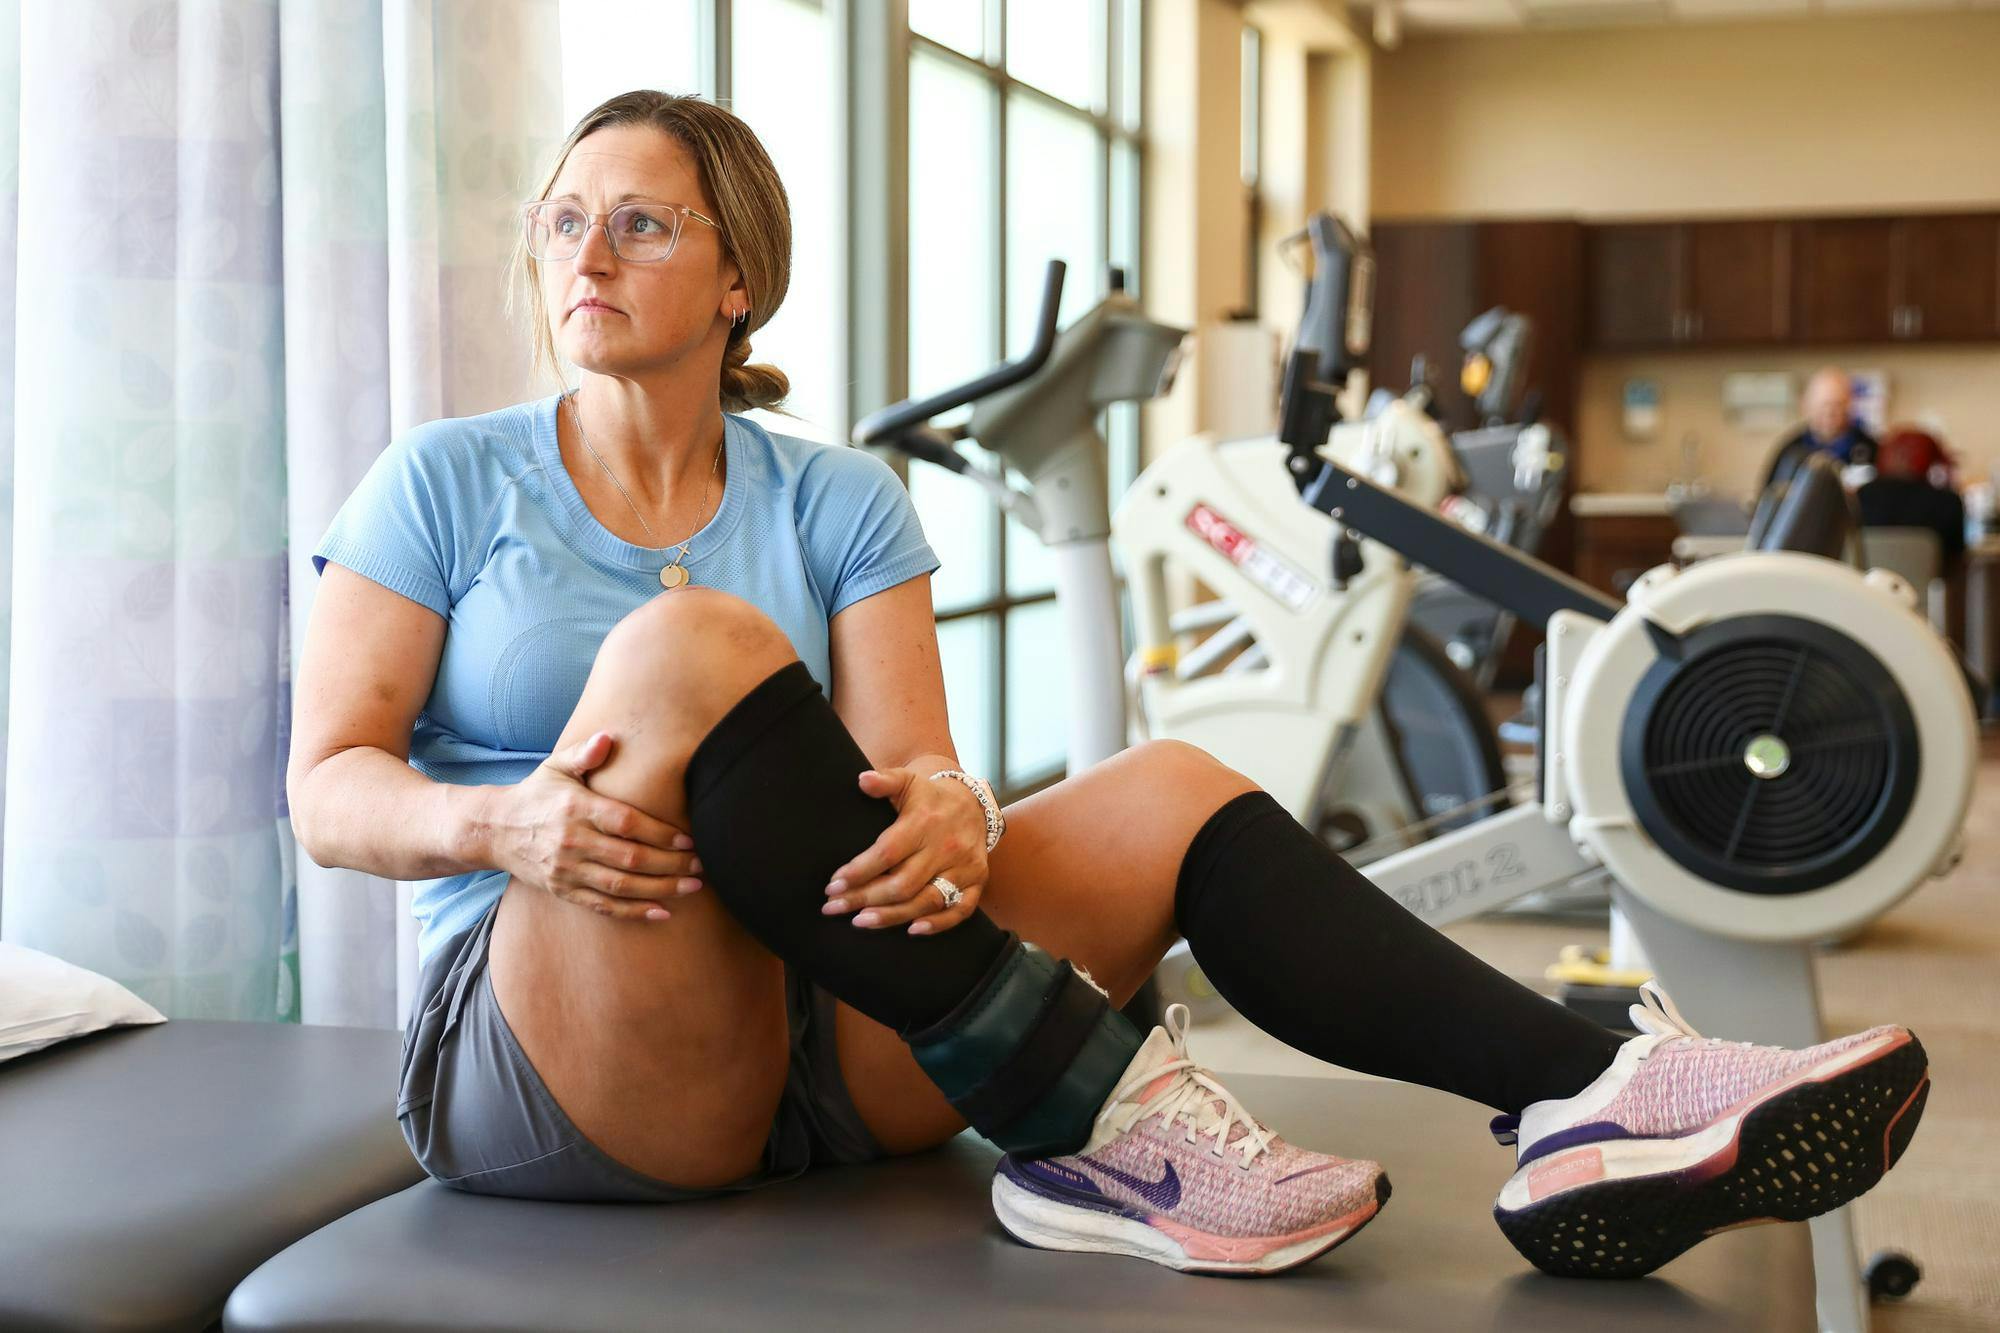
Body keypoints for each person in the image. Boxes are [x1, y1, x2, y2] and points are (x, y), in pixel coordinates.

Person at [289, 91, 1931, 1281]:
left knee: (1167, 784)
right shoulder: (445, 482)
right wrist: (499, 821)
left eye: (640, 220)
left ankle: (1593, 1092)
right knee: (692, 640)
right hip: (563, 1051)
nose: (588, 249)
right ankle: (1111, 1105)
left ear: (738, 279)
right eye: (566, 218)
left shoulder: (836, 496)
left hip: (829, 1033)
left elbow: (911, 778)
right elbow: (328, 789)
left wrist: (943, 801)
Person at [1856, 426, 1966, 570]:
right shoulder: (1948, 502)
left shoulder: (1862, 496)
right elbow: (1956, 559)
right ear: (1934, 463)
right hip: (1926, 587)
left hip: (1869, 585)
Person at [1761, 367, 1879, 494]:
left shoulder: (1872, 449)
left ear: (1849, 405)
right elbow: (1769, 500)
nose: (1829, 413)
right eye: (1823, 406)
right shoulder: (1790, 452)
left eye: (1837, 405)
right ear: (1806, 406)